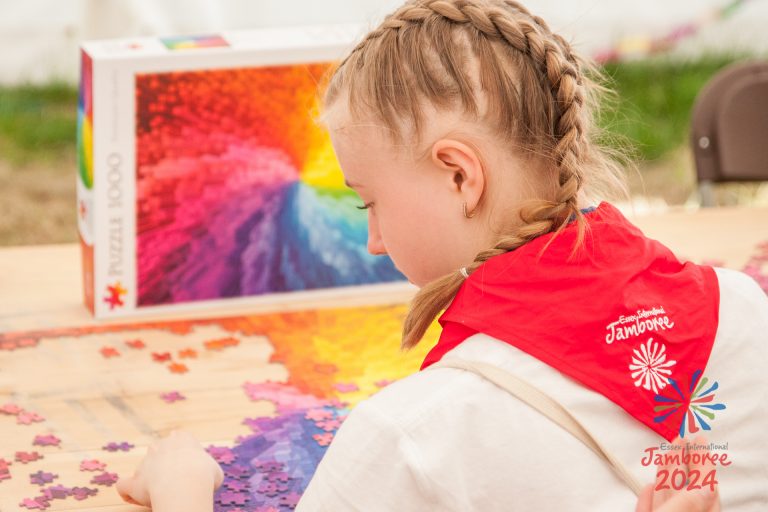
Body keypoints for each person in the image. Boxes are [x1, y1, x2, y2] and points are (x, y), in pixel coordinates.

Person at [116, 0, 768, 510]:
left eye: (366, 201)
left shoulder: (412, 436)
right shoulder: (745, 310)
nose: (372, 239)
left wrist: (182, 485)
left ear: (459, 175)